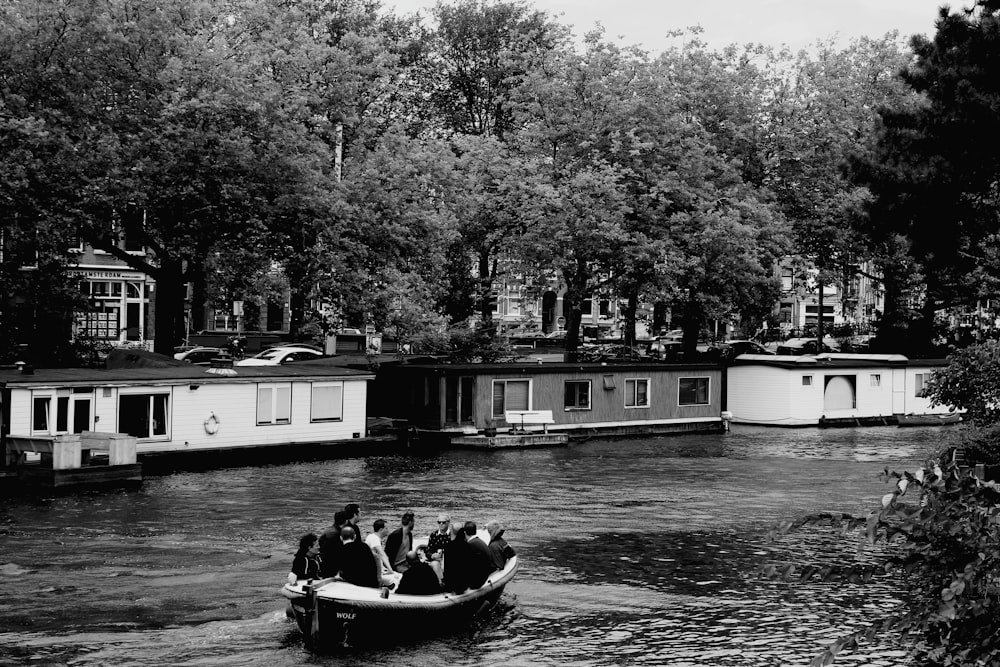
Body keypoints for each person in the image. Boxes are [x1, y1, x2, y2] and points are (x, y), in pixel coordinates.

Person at [365, 518, 401, 587]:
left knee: (399, 576)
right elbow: (382, 554)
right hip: (376, 572)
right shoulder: (374, 539)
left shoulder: (372, 537)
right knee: (396, 579)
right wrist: (390, 570)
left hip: (380, 570)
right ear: (381, 530)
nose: (388, 530)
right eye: (386, 528)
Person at [443, 521, 476, 593]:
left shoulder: (448, 546)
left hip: (451, 585)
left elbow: (447, 569)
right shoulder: (468, 546)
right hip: (464, 584)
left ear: (452, 532)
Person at [318, 509, 349, 577]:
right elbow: (337, 554)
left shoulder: (330, 530)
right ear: (346, 521)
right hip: (330, 566)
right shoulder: (336, 534)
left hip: (323, 562)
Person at [464, 521, 494, 588]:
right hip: (483, 577)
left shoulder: (471, 545)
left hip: (476, 582)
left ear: (465, 533)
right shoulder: (480, 542)